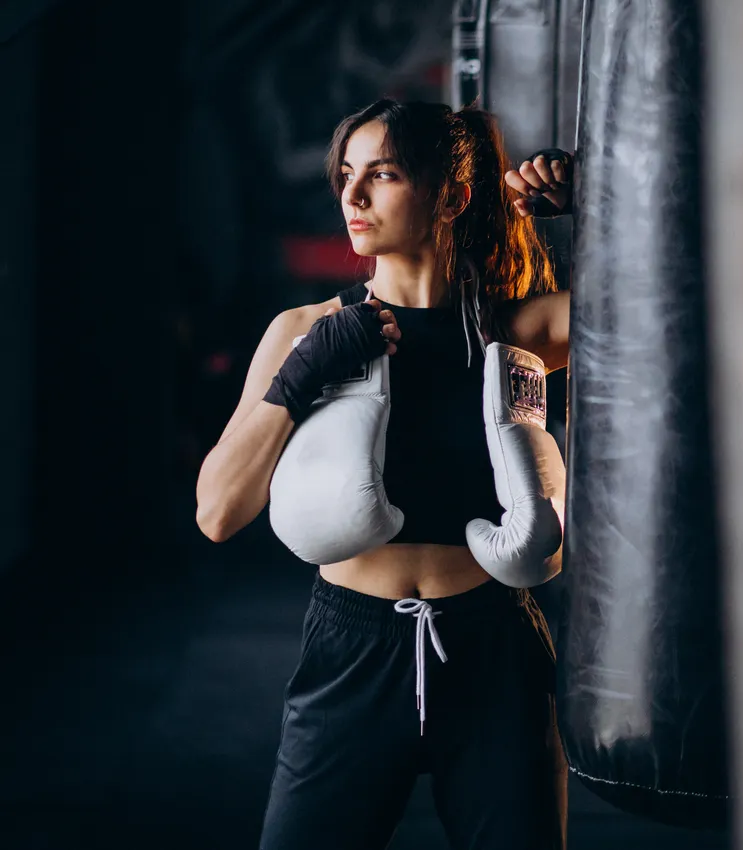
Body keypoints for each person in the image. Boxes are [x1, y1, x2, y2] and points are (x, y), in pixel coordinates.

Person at [194, 98, 574, 850]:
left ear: (453, 196)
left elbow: (671, 312)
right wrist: (303, 375)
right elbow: (217, 511)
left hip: (493, 651)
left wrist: (598, 209)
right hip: (352, 651)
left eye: (384, 174)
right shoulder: (301, 332)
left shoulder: (519, 329)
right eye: (345, 174)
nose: (352, 196)